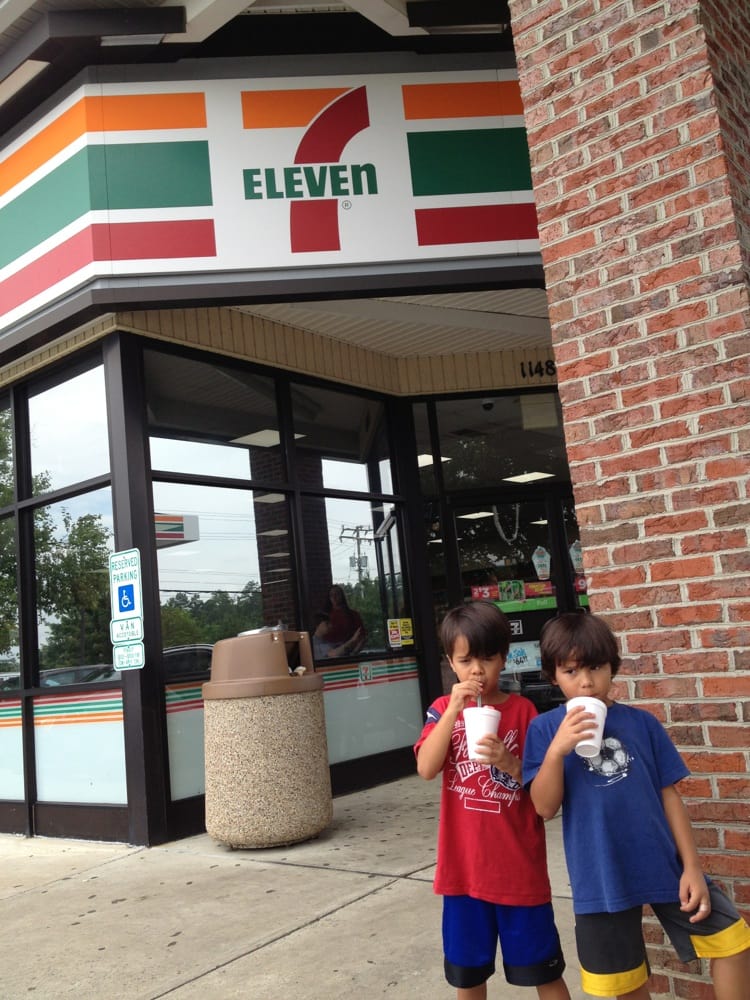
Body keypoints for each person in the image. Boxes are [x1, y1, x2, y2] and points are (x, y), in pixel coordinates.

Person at [523, 612, 750, 1000]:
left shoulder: (642, 724)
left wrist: (692, 867)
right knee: (625, 982)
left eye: (596, 667)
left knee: (733, 943)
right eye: (571, 671)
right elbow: (544, 807)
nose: (586, 681)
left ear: (613, 667)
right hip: (600, 875)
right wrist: (558, 749)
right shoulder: (544, 730)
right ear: (553, 676)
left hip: (663, 863)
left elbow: (669, 796)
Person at [414, 601, 571, 1000]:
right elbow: (427, 768)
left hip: (519, 872)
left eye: (487, 658)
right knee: (468, 980)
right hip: (463, 874)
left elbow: (542, 795)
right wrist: (454, 710)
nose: (477, 671)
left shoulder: (525, 712)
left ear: (504, 657)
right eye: (466, 660)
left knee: (544, 973)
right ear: (451, 662)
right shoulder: (441, 710)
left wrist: (509, 762)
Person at [323, 585, 366, 652]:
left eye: (337, 594)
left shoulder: (353, 615)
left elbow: (362, 637)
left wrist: (354, 653)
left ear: (342, 596)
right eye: (331, 595)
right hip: (328, 653)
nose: (334, 597)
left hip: (348, 652)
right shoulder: (324, 617)